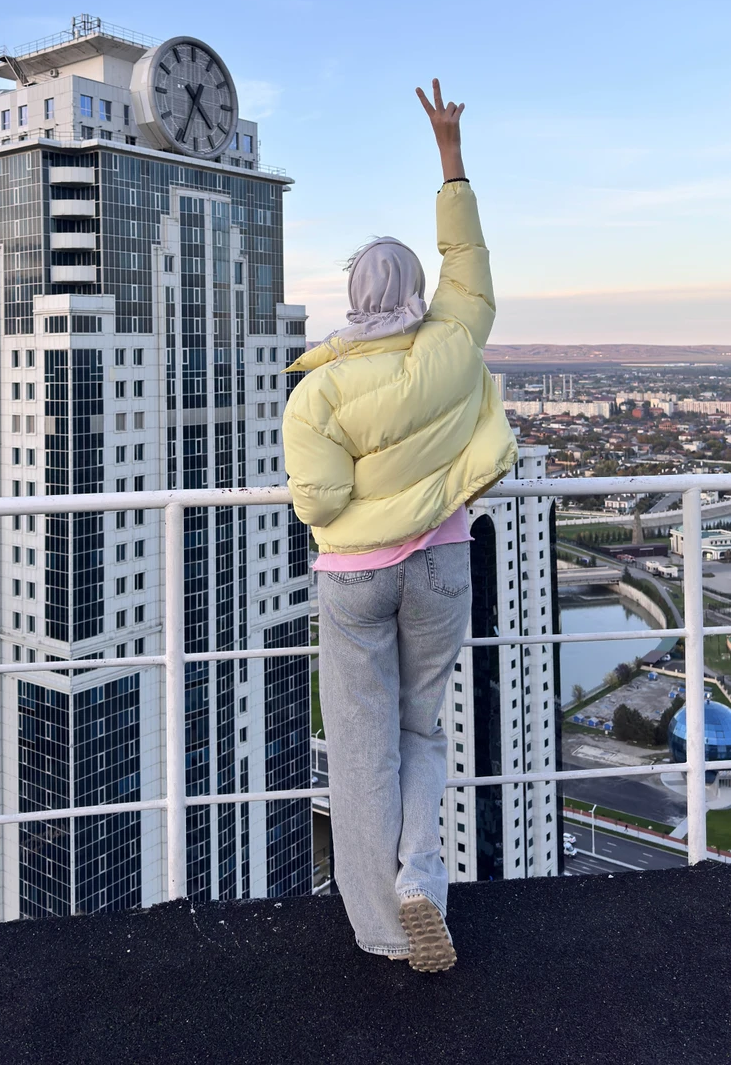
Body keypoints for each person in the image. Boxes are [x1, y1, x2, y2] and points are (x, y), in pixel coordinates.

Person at [282, 79, 517, 972]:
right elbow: (470, 256)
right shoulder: (459, 340)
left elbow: (320, 504)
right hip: (446, 563)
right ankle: (424, 878)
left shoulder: (322, 388)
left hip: (356, 578)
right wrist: (449, 154)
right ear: (417, 288)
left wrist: (364, 503)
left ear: (351, 294)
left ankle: (382, 927)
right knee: (423, 733)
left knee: (360, 752)